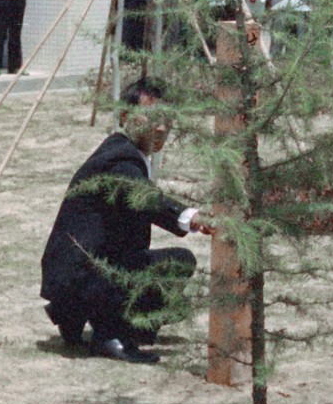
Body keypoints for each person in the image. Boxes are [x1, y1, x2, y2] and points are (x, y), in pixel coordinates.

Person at [39, 80, 211, 363]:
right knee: (178, 262)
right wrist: (192, 217)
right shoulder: (119, 158)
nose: (161, 128)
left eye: (167, 120)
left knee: (150, 266)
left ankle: (76, 313)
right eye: (152, 118)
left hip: (83, 271)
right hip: (80, 276)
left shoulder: (124, 153)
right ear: (124, 117)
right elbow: (146, 198)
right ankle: (111, 335)